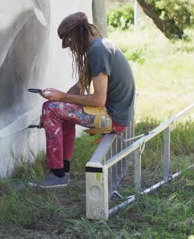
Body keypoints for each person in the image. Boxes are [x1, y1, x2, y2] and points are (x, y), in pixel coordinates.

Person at [33, 12, 135, 188]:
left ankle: (57, 175)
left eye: (70, 43)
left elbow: (98, 100)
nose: (71, 49)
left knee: (51, 109)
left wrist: (61, 99)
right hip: (119, 112)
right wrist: (58, 99)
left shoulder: (98, 51)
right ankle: (62, 170)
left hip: (114, 118)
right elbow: (80, 87)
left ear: (77, 35)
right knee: (54, 109)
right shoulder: (97, 46)